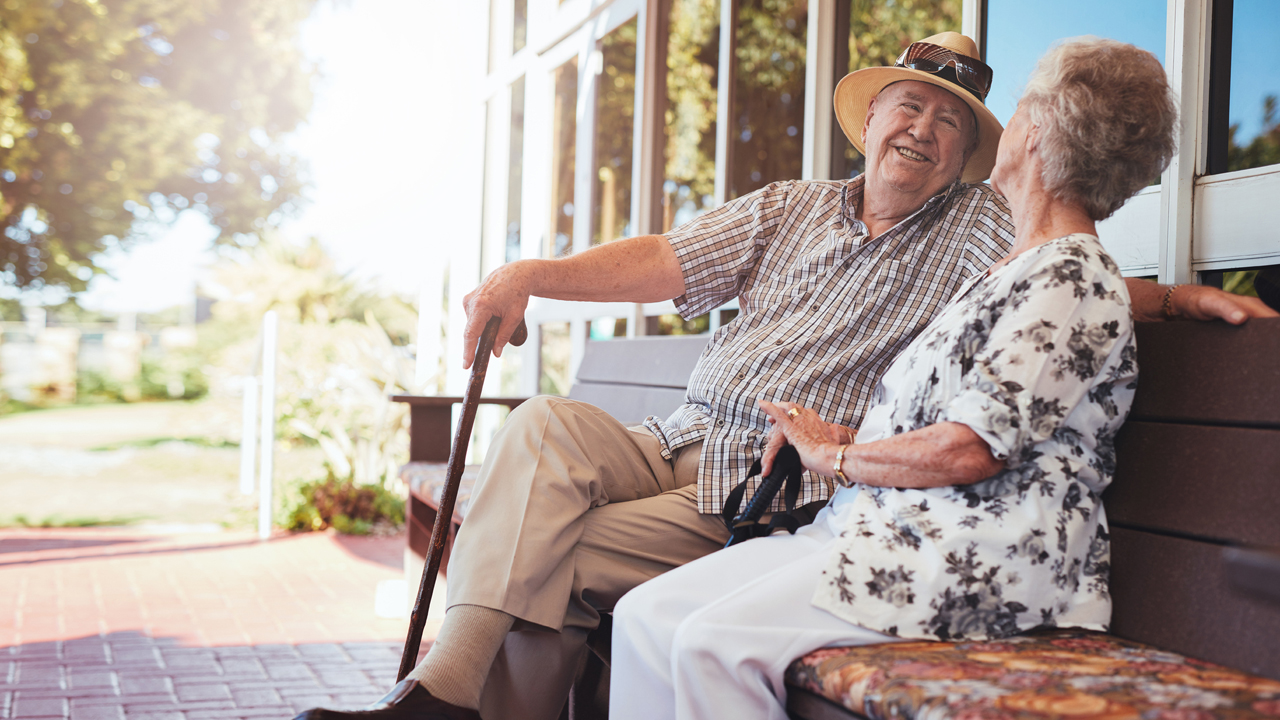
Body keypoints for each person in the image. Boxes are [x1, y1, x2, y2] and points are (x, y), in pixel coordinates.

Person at [296, 32, 1275, 720]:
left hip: (768, 483)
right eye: (908, 105)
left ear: (978, 153)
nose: (922, 129)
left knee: (546, 559)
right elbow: (663, 260)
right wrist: (528, 278)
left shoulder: (985, 229)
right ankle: (445, 696)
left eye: (949, 121)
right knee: (544, 428)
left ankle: (443, 693)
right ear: (870, 118)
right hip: (673, 440)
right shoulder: (791, 207)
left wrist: (1179, 298)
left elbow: (1064, 280)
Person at [608, 36, 1179, 720]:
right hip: (885, 526)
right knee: (645, 616)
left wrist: (839, 456)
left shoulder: (1070, 276)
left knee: (710, 643)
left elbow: (974, 448)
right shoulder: (1014, 270)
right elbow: (953, 422)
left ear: (1037, 133)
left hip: (975, 557)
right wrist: (836, 436)